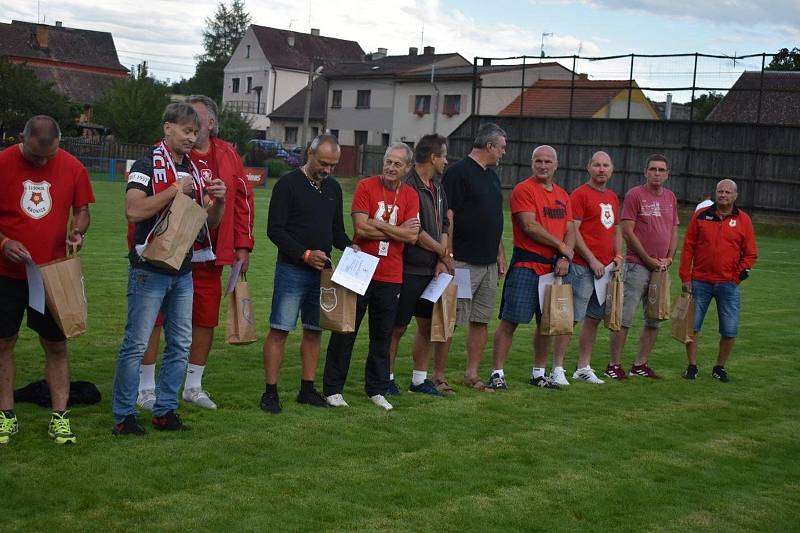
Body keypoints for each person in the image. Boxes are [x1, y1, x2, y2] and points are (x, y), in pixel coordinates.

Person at [112, 102, 227, 435]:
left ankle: (165, 410)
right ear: (168, 128)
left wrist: (217, 200)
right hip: (148, 269)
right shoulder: (148, 165)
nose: (192, 138)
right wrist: (174, 189)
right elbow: (133, 210)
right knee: (135, 344)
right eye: (186, 130)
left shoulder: (191, 169)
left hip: (184, 268)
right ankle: (123, 415)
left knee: (180, 344)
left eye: (196, 132)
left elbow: (207, 223)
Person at [136, 95, 255, 411]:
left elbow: (242, 203)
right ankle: (146, 386)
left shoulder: (228, 155)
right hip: (165, 251)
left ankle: (193, 385)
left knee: (204, 319)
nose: (189, 129)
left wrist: (242, 244)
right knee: (155, 318)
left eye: (196, 121)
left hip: (210, 255)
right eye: (184, 123)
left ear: (211, 123)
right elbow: (139, 207)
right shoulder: (162, 157)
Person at [0, 115, 95, 445]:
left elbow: (82, 210)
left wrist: (77, 231)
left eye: (49, 155)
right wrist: (4, 242)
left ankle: (60, 416)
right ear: (21, 138)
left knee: (56, 345)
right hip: (7, 274)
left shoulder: (72, 167)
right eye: (35, 154)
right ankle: (6, 415)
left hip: (52, 274)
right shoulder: (2, 163)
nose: (42, 161)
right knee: (3, 342)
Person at [322, 143, 420, 410]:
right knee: (345, 329)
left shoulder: (411, 196)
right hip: (359, 267)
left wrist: (379, 224)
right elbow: (361, 230)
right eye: (388, 161)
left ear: (407, 168)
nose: (390, 167)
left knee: (383, 333)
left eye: (397, 164)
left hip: (391, 274)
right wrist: (395, 229)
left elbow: (412, 236)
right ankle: (333, 389)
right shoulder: (366, 186)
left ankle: (376, 389)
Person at [260, 135, 354, 414]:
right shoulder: (288, 185)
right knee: (280, 329)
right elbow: (275, 230)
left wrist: (352, 249)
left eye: (333, 165)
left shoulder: (333, 188)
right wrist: (303, 254)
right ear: (310, 154)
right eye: (324, 163)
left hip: (323, 274)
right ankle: (270, 392)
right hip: (293, 270)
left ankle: (307, 389)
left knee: (314, 331)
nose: (328, 170)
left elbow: (336, 231)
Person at [488, 145, 574, 390]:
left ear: (556, 165)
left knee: (546, 323)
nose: (543, 165)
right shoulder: (523, 190)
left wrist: (565, 258)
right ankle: (497, 373)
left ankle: (538, 373)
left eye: (548, 161)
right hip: (527, 265)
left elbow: (570, 230)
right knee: (510, 320)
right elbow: (530, 226)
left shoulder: (563, 195)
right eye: (538, 161)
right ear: (532, 163)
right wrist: (561, 246)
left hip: (554, 268)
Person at [387, 134, 454, 396]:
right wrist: (442, 252)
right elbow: (415, 229)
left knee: (427, 325)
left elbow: (445, 224)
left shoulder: (437, 187)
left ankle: (419, 380)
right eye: (444, 156)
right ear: (433, 158)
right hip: (407, 267)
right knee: (398, 327)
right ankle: (387, 377)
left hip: (431, 269)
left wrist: (440, 258)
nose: (446, 161)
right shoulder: (408, 185)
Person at [442, 123, 507, 392]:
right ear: (489, 146)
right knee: (452, 319)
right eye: (501, 148)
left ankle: (471, 374)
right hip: (464, 262)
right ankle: (438, 375)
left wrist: (500, 253)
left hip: (488, 263)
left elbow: (495, 218)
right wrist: (449, 253)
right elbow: (449, 215)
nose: (503, 153)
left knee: (480, 320)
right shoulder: (458, 172)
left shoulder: (492, 176)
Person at [605, 154, 678, 380]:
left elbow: (674, 229)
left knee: (654, 318)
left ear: (667, 174)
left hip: (660, 268)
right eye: (653, 169)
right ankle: (614, 365)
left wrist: (669, 257)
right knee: (624, 317)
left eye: (661, 170)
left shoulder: (670, 197)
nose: (657, 173)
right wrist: (647, 258)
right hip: (637, 266)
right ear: (645, 171)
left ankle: (640, 364)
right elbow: (627, 231)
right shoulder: (635, 195)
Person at [679, 179, 757, 382]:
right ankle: (692, 366)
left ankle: (719, 368)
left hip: (728, 285)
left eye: (727, 192)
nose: (723, 195)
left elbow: (750, 254)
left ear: (735, 196)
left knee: (730, 330)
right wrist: (685, 276)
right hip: (700, 282)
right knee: (692, 327)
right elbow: (688, 247)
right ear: (715, 193)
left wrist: (736, 277)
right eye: (720, 191)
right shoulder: (701, 216)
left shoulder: (743, 220)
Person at [564, 151, 623, 385]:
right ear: (588, 167)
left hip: (605, 270)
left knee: (593, 319)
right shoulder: (580, 194)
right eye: (597, 165)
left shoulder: (612, 197)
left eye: (605, 165)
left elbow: (615, 228)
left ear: (612, 169)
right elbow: (573, 231)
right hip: (582, 267)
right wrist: (591, 259)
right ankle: (556, 367)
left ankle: (583, 367)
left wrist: (618, 255)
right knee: (572, 319)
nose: (601, 169)